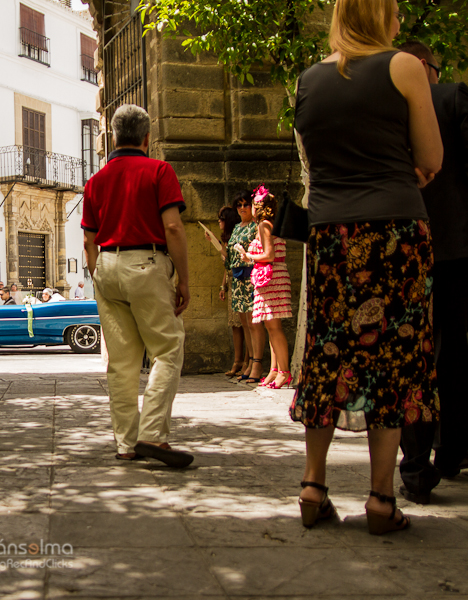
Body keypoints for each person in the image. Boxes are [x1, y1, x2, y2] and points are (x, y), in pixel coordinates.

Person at [291, 0, 442, 535]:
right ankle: (381, 497)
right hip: (395, 230)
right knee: (394, 354)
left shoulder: (309, 79)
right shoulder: (403, 66)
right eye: (395, 12)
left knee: (328, 348)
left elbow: (316, 163)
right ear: (381, 15)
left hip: (331, 233)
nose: (399, 21)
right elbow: (431, 156)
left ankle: (313, 485)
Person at [81, 103, 192, 467]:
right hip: (145, 263)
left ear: (114, 136)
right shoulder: (159, 171)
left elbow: (88, 241)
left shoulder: (95, 181)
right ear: (147, 137)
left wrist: (98, 273)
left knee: (122, 362)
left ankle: (126, 443)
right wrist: (184, 279)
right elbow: (173, 227)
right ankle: (153, 435)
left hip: (107, 266)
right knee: (167, 348)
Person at [397, 40, 468, 501]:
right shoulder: (451, 96)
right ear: (426, 66)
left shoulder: (384, 108)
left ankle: (416, 466)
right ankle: (452, 448)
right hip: (453, 245)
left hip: (398, 249)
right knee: (451, 348)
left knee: (409, 354)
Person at [237, 186, 292, 389]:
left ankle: (284, 371)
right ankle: (275, 370)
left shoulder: (264, 226)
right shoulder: (271, 224)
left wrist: (249, 256)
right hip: (272, 277)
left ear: (258, 207)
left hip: (272, 278)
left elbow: (269, 255)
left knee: (274, 326)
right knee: (271, 326)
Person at [225, 190, 261, 383]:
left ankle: (256, 361)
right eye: (238, 205)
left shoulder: (257, 226)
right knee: (244, 322)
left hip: (251, 276)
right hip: (237, 278)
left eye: (245, 204)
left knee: (254, 321)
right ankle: (248, 362)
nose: (242, 208)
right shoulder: (238, 227)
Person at [214, 204, 247, 376]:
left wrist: (219, 247)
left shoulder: (235, 238)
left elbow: (232, 258)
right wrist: (223, 286)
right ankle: (238, 360)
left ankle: (247, 360)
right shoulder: (226, 239)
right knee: (235, 324)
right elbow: (226, 267)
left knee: (245, 323)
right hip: (231, 281)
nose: (219, 222)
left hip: (241, 280)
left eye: (222, 219)